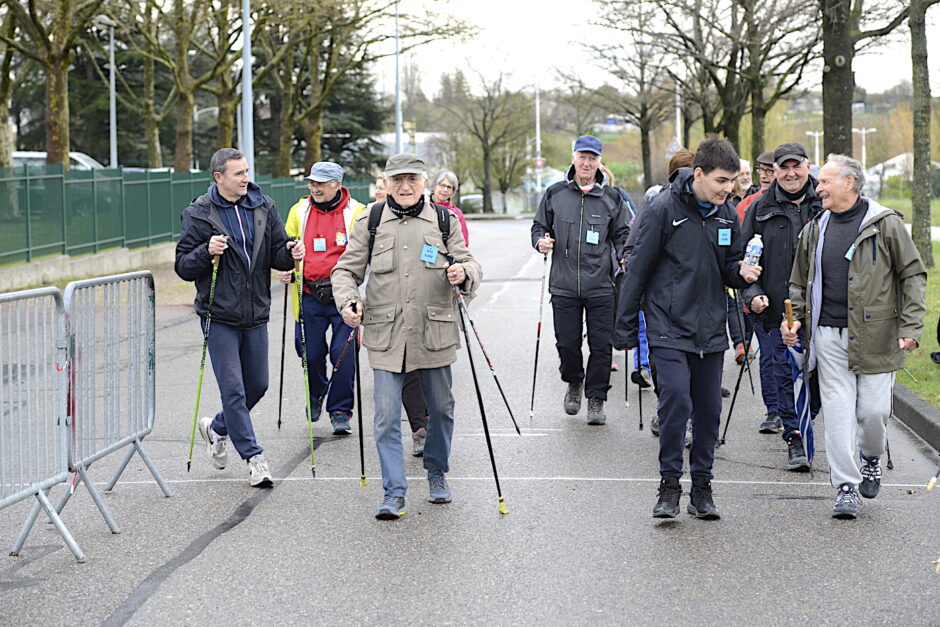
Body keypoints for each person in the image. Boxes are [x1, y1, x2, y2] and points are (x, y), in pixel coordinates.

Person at [615, 138, 760, 520]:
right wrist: (626, 328)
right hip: (667, 325)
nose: (728, 188)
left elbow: (728, 267)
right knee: (677, 402)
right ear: (698, 174)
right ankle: (668, 487)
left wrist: (741, 274)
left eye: (731, 181)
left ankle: (702, 489)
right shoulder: (663, 208)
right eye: (721, 180)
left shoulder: (727, 214)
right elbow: (638, 269)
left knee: (709, 412)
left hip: (710, 328)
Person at [331, 153, 482, 520]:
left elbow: (471, 263)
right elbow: (344, 271)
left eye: (411, 179)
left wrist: (464, 274)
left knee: (442, 411)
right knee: (384, 416)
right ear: (386, 183)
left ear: (424, 182)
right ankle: (394, 492)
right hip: (386, 335)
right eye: (397, 179)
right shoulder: (370, 220)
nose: (404, 186)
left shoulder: (444, 220)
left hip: (434, 332)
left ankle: (436, 471)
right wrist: (349, 302)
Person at [783, 154, 925, 519]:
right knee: (838, 411)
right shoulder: (816, 227)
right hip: (828, 336)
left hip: (878, 335)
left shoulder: (886, 224)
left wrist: (910, 326)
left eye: (825, 182)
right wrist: (796, 320)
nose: (818, 188)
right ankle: (846, 486)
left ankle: (872, 458)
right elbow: (800, 281)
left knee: (874, 412)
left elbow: (912, 274)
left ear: (849, 183)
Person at [175, 148, 305, 487]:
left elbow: (277, 254)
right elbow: (183, 266)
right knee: (233, 388)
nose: (246, 178)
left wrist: (291, 252)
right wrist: (206, 252)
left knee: (256, 385)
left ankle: (217, 428)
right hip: (218, 314)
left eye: (247, 171)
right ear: (219, 178)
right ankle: (254, 457)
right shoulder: (199, 214)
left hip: (256, 311)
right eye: (238, 173)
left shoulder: (263, 207)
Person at [531, 135, 630, 425]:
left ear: (600, 162)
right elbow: (539, 226)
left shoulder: (612, 197)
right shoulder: (555, 193)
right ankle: (574, 381)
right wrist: (540, 241)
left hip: (600, 285)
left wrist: (626, 255)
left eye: (593, 158)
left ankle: (596, 397)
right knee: (567, 344)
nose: (587, 163)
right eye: (582, 157)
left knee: (601, 346)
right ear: (574, 157)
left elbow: (623, 234)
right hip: (563, 285)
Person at [742, 142, 822, 469]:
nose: (791, 173)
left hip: (821, 311)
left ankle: (807, 417)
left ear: (807, 166)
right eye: (783, 167)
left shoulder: (826, 205)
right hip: (776, 310)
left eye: (796, 166)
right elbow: (743, 260)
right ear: (774, 171)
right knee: (783, 374)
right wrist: (753, 295)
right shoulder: (759, 209)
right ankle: (795, 437)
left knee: (819, 377)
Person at [278, 162, 366, 435]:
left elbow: (367, 254)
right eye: (312, 183)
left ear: (337, 184)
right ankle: (316, 393)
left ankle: (340, 411)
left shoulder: (358, 213)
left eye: (320, 183)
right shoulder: (299, 210)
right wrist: (285, 266)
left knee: (344, 353)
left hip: (344, 295)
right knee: (310, 353)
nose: (314, 187)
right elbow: (284, 246)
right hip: (309, 294)